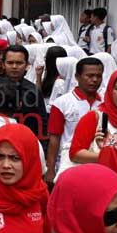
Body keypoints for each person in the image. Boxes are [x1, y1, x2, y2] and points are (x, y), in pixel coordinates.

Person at [45, 57, 103, 185]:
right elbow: (54, 139)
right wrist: (50, 169)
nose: (94, 80)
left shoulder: (105, 103)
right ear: (77, 76)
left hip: (98, 163)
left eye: (98, 76)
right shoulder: (62, 103)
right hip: (68, 163)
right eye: (89, 75)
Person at [69, 69, 117, 166]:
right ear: (110, 90)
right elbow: (75, 154)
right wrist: (106, 155)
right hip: (102, 178)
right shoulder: (94, 117)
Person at [0, 45, 48, 139]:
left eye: (19, 63)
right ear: (3, 64)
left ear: (27, 65)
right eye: (10, 62)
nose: (14, 66)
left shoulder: (33, 91)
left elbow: (42, 123)